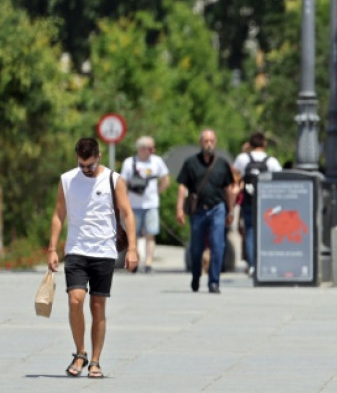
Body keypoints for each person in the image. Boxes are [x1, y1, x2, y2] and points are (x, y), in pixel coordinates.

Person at [46, 137, 138, 379]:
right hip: (76, 249)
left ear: (98, 156)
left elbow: (128, 213)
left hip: (104, 251)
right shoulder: (67, 180)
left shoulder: (113, 179)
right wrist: (52, 248)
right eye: (81, 165)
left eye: (89, 165)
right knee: (75, 300)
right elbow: (58, 214)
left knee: (98, 307)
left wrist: (133, 249)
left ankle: (95, 361)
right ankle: (80, 352)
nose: (85, 170)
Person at [176, 129, 235, 293]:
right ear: (200, 142)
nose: (208, 143)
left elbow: (229, 189)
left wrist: (230, 211)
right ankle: (196, 276)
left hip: (218, 208)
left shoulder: (222, 164)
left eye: (211, 141)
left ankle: (214, 282)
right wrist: (179, 208)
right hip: (198, 211)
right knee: (196, 247)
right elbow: (183, 186)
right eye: (205, 141)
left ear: (215, 142)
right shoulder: (191, 163)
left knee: (218, 245)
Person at [232, 132, 282, 276]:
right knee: (267, 232)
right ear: (264, 144)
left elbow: (235, 176)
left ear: (250, 144)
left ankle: (252, 265)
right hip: (267, 204)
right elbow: (280, 179)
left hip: (248, 201)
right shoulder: (271, 161)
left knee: (249, 231)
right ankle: (265, 261)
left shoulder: (242, 158)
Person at [119, 136, 169, 273]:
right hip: (133, 204)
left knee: (150, 234)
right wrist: (123, 201)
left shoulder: (157, 161)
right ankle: (135, 259)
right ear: (142, 149)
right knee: (133, 235)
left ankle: (148, 263)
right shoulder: (129, 162)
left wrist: (157, 192)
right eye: (150, 148)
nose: (153, 150)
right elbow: (122, 183)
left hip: (151, 204)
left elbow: (165, 179)